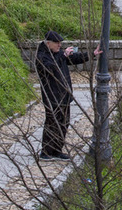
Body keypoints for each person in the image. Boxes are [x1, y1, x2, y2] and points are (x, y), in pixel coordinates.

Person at [34, 31, 89, 160]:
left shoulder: (57, 54)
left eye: (60, 43)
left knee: (63, 124)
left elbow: (73, 59)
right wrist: (62, 56)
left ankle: (57, 150)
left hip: (64, 95)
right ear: (48, 43)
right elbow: (51, 68)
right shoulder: (42, 56)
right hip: (52, 96)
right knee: (52, 123)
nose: (59, 45)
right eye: (57, 43)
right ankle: (46, 151)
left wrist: (91, 55)